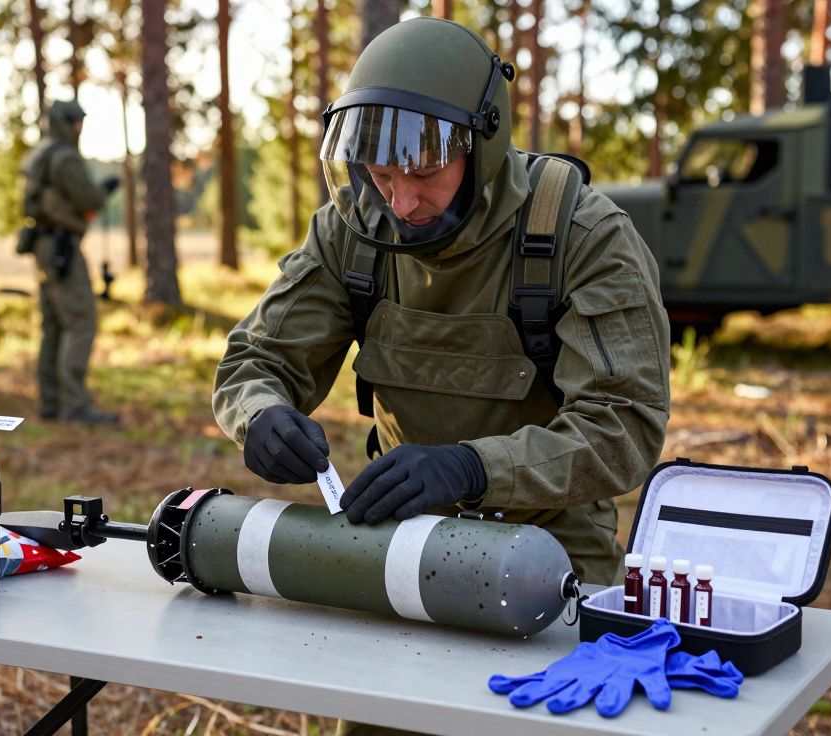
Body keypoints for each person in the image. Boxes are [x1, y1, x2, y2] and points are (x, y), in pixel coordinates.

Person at [213, 17, 670, 736]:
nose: (400, 203)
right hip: (400, 539)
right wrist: (261, 415)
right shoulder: (352, 230)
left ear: (481, 145)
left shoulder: (582, 235)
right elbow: (256, 362)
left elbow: (625, 428)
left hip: (550, 547)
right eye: (381, 174)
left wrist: (470, 468)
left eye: (422, 173)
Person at [20, 100, 120, 425]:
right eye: (76, 123)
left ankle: (51, 403)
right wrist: (103, 191)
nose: (79, 129)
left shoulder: (41, 153)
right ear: (65, 123)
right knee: (80, 321)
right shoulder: (63, 158)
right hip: (61, 247)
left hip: (43, 245)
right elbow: (88, 199)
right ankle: (75, 407)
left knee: (54, 324)